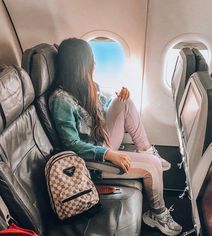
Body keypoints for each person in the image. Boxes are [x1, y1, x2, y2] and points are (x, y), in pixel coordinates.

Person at [49, 38, 182, 236]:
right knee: (152, 166)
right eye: (90, 60)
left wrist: (117, 99)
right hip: (90, 161)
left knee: (125, 103)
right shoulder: (61, 101)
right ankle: (157, 214)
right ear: (78, 65)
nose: (94, 64)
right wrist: (109, 154)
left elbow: (102, 110)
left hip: (101, 139)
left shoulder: (87, 86)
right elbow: (72, 144)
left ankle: (146, 149)